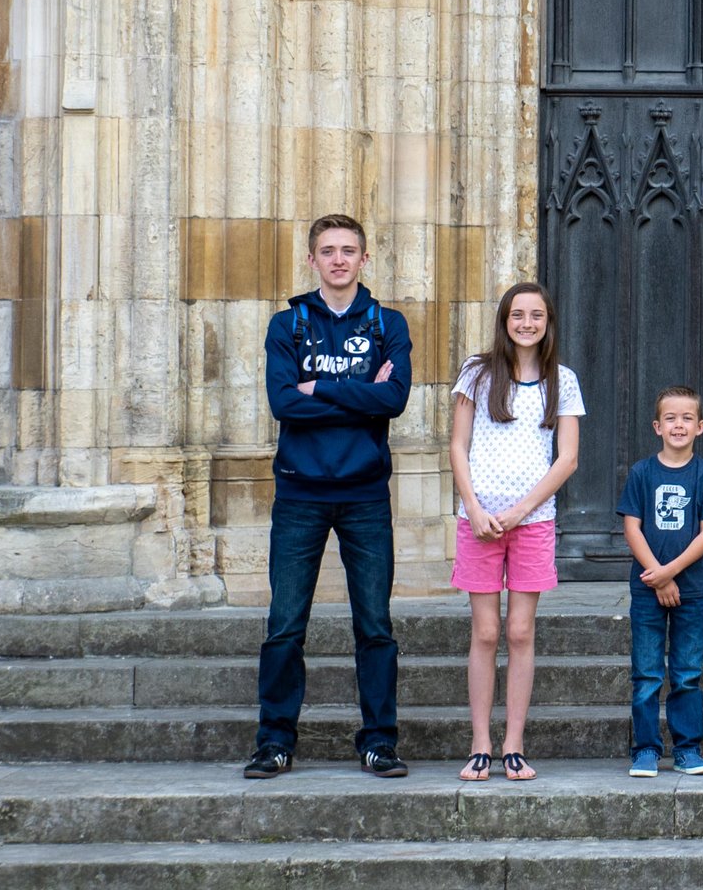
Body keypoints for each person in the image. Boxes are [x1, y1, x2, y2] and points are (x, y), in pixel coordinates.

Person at [245, 214, 414, 780]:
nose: (338, 259)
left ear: (365, 259)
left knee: (375, 625)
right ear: (312, 259)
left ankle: (379, 741)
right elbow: (284, 405)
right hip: (300, 493)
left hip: (365, 494)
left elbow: (393, 399)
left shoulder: (387, 322)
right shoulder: (286, 324)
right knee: (286, 624)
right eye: (327, 251)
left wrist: (323, 387)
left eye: (348, 250)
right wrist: (358, 394)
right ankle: (274, 742)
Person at [447, 282, 583, 783]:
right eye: (518, 314)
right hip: (478, 522)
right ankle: (480, 742)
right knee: (485, 632)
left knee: (520, 631)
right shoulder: (477, 374)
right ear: (505, 319)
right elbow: (458, 446)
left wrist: (524, 509)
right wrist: (476, 508)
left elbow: (567, 458)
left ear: (548, 322)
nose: (527, 323)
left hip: (534, 523)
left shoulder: (561, 381)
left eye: (537, 315)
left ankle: (514, 745)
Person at [620, 385, 703, 777]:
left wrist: (672, 572)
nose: (677, 425)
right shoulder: (642, 473)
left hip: (691, 590)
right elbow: (632, 527)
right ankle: (645, 749)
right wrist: (658, 576)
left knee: (686, 671)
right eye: (670, 418)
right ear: (656, 426)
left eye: (686, 419)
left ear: (700, 427)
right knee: (647, 672)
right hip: (648, 589)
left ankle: (687, 749)